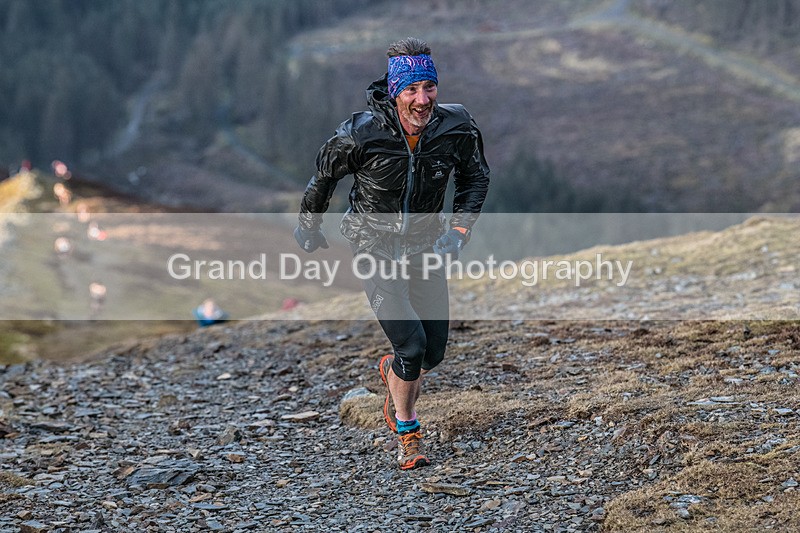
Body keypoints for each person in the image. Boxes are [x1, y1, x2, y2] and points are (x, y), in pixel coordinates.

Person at [294, 38, 490, 470]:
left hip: (425, 245)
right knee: (412, 344)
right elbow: (323, 180)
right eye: (412, 89)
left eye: (430, 88)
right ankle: (408, 433)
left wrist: (459, 230)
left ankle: (393, 371)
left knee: (432, 353)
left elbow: (475, 177)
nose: (422, 100)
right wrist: (309, 226)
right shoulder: (360, 132)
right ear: (395, 91)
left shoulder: (455, 126)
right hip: (373, 244)